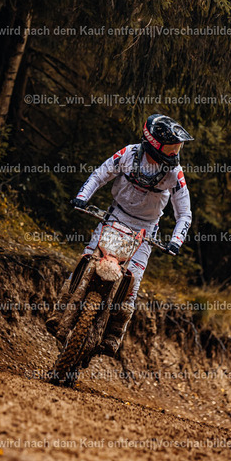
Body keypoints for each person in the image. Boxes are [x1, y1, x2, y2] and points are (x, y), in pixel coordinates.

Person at [49, 113, 193, 355]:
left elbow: (184, 213)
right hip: (115, 217)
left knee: (132, 284)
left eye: (177, 148)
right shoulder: (128, 154)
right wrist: (82, 197)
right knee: (85, 262)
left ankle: (114, 334)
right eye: (171, 147)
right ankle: (59, 312)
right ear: (154, 143)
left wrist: (176, 241)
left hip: (145, 230)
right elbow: (100, 175)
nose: (175, 152)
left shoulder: (174, 173)